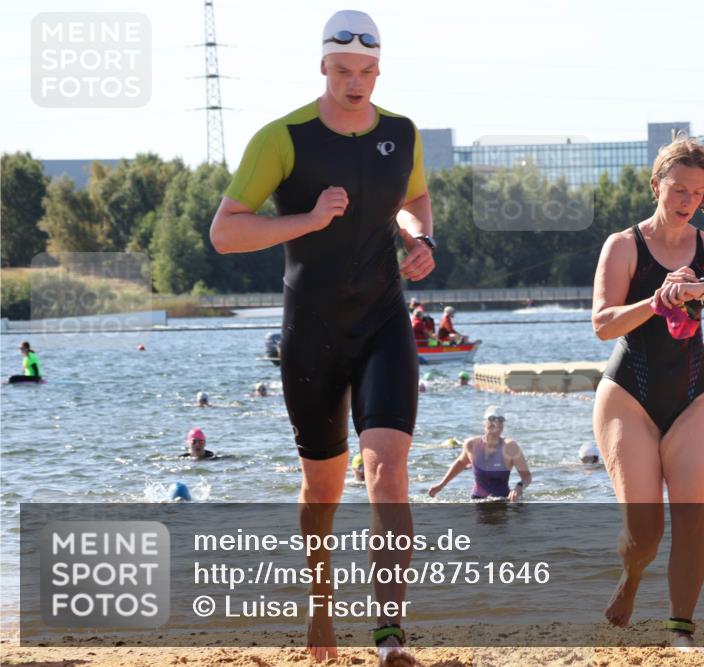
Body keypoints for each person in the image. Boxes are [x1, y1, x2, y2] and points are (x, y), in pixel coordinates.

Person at [209, 9, 434, 664]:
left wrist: (422, 241)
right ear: (323, 66)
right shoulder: (283, 138)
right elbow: (226, 232)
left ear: (379, 70)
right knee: (323, 491)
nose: (354, 83)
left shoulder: (402, 132)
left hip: (384, 322)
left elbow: (414, 202)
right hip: (310, 332)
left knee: (388, 472)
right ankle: (319, 606)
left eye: (366, 72)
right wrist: (307, 219)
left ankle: (391, 634)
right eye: (342, 71)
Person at [591, 136, 704, 649]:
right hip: (628, 397)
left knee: (691, 518)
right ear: (655, 184)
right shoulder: (622, 246)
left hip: (694, 395)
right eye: (677, 188)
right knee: (645, 533)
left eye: (696, 193)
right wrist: (656, 300)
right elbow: (602, 323)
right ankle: (632, 575)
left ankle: (681, 630)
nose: (686, 200)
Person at [427, 406, 531, 502]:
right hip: (477, 500)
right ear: (484, 423)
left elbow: (527, 476)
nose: (496, 424)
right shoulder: (472, 445)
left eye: (500, 421)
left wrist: (518, 487)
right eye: (491, 420)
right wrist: (441, 485)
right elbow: (460, 463)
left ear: (503, 425)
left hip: (503, 501)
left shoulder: (510, 446)